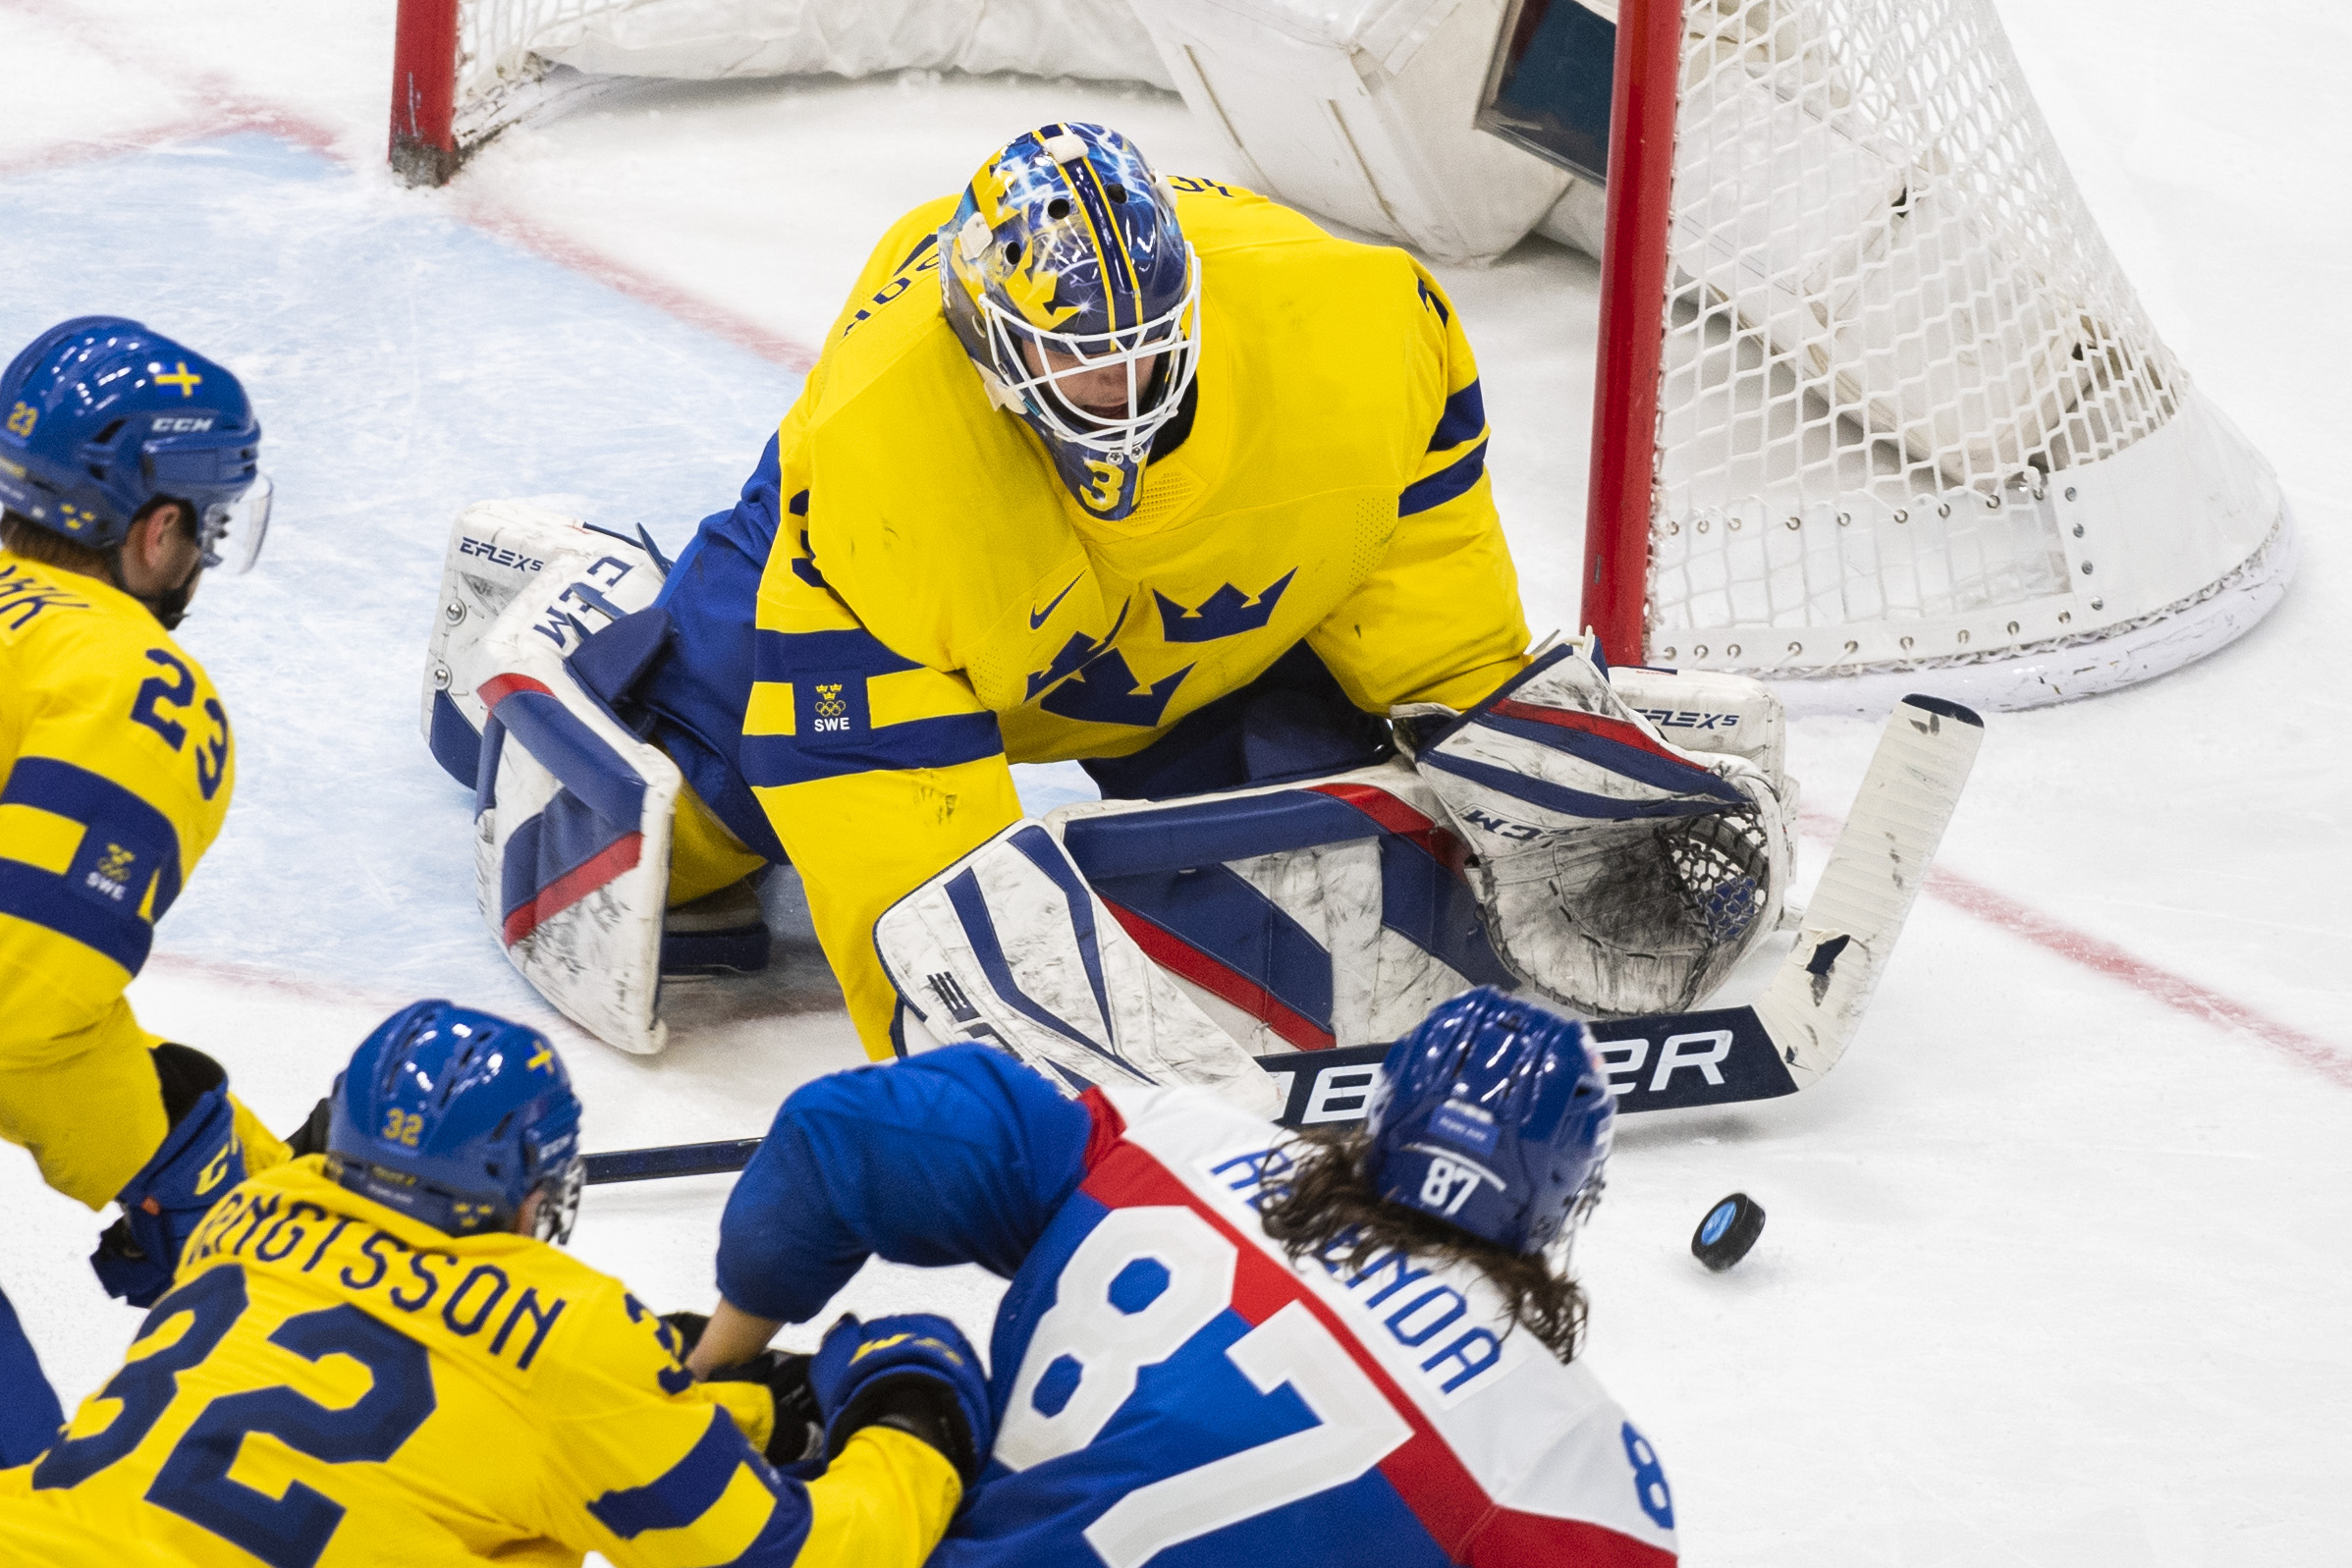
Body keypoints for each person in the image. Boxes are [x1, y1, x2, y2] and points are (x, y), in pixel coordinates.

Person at [688, 986, 1680, 1565]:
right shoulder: (1569, 1456)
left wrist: (714, 1371)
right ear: (1562, 1203)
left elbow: (845, 1131)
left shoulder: (1175, 1147)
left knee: (908, 1363)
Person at [0, 1000, 995, 1568]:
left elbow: (455, 1410)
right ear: (529, 1186)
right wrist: (911, 1422)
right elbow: (796, 1558)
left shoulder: (242, 1219)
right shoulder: (572, 1340)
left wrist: (727, 1410)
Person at [0, 317, 285, 1464]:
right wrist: (222, 1186)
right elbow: (20, 1004)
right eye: (206, 528)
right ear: (156, 527)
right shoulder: (131, 679)